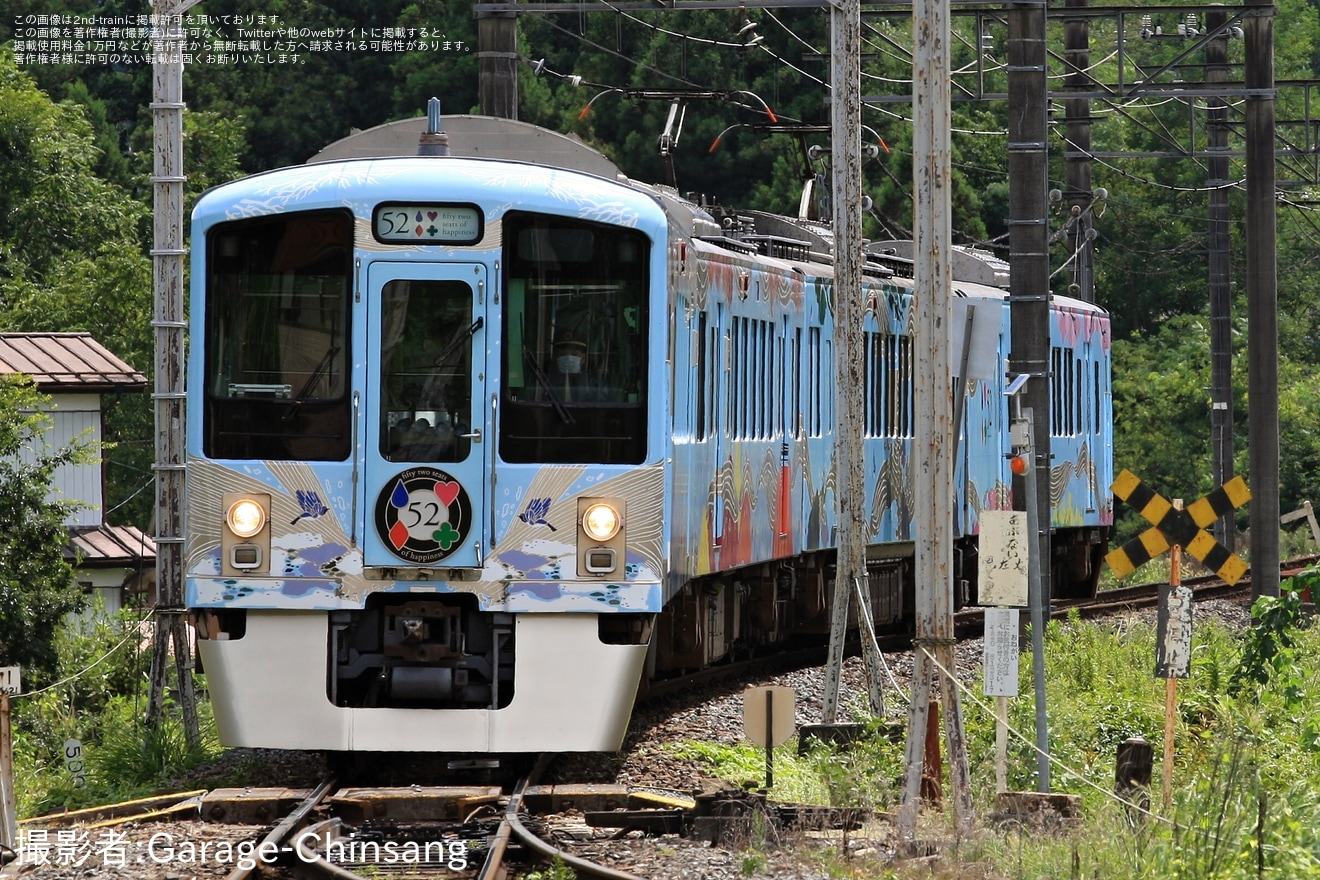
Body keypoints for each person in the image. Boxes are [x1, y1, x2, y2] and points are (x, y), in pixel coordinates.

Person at [546, 335, 603, 402]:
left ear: (583, 358)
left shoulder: (591, 383)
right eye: (562, 354)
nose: (568, 358)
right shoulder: (545, 381)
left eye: (574, 354)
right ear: (555, 358)